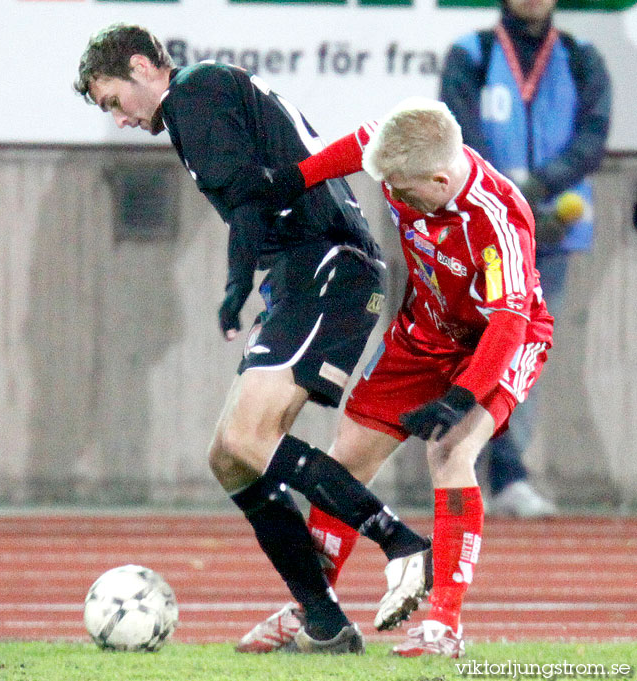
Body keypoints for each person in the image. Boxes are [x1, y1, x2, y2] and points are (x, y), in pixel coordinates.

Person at [74, 24, 433, 655]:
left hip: (326, 263)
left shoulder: (195, 93)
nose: (119, 119)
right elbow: (253, 193)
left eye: (111, 101)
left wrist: (236, 285)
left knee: (247, 439)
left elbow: (246, 200)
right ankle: (323, 620)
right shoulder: (200, 98)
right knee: (230, 456)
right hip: (305, 270)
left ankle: (402, 544)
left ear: (139, 65)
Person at [236, 96, 554, 657]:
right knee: (346, 458)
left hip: (499, 343)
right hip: (422, 334)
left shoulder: (499, 217)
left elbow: (509, 320)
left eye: (403, 192)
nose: (395, 199)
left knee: (450, 452)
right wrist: (291, 181)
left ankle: (444, 627)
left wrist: (460, 398)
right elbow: (357, 146)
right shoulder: (401, 147)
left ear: (438, 177)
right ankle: (318, 612)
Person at [439, 0, 611, 517]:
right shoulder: (473, 53)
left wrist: (538, 190)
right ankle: (483, 470)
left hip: (554, 227)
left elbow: (592, 139)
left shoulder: (582, 57)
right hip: (489, 226)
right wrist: (511, 198)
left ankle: (500, 471)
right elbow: (458, 137)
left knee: (520, 353)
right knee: (488, 348)